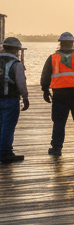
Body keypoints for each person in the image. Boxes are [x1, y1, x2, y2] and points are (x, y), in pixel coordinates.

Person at [40, 31, 74, 156]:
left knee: (59, 122)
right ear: (72, 44)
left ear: (60, 44)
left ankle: (56, 148)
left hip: (59, 95)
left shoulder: (53, 58)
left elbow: (45, 75)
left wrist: (45, 90)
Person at [0, 36, 29, 164]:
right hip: (10, 99)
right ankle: (6, 152)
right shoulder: (16, 64)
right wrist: (25, 98)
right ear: (16, 50)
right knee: (8, 126)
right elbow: (21, 83)